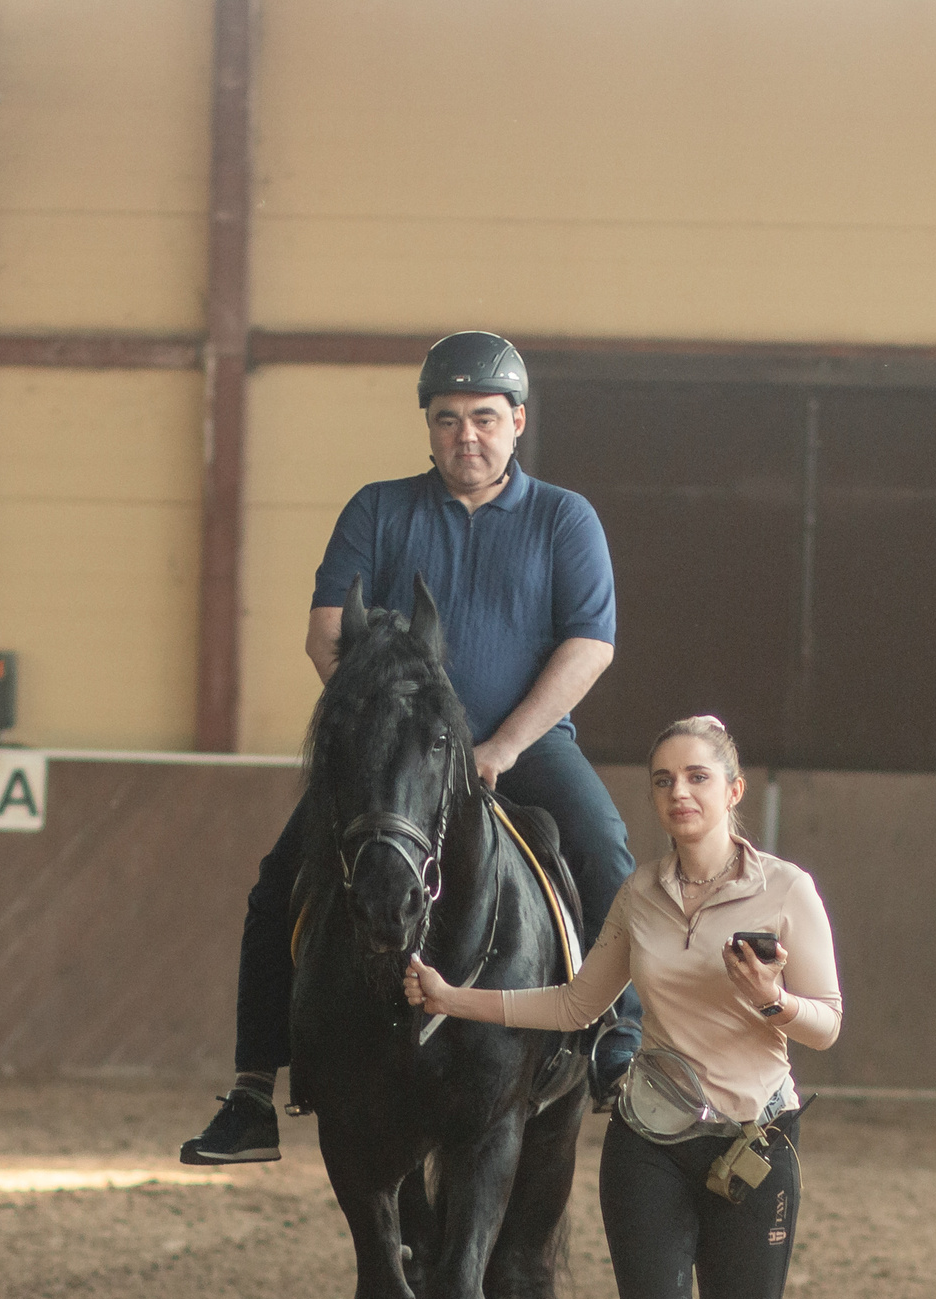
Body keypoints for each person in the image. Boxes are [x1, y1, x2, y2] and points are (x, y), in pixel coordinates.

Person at [404, 715, 842, 1299]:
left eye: (696, 777)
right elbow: (575, 1005)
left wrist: (775, 1001)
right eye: (663, 779)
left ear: (732, 790)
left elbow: (828, 1024)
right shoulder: (639, 895)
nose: (679, 793)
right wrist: (454, 998)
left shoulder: (787, 890)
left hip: (755, 1147)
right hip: (651, 1143)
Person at [181, 332, 645, 1167]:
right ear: (428, 425)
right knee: (278, 883)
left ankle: (619, 1041)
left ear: (517, 422)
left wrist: (500, 745)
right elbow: (327, 631)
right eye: (447, 419)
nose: (466, 435)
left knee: (607, 851)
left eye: (484, 418)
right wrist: (383, 729)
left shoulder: (563, 518)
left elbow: (590, 646)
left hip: (524, 743)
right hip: (396, 760)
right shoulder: (377, 510)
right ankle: (252, 1091)